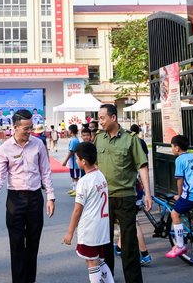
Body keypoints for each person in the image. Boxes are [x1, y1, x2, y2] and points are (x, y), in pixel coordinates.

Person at [0, 108, 56, 283]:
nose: (30, 131)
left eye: (31, 127)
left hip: (35, 199)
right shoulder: (4, 149)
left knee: (33, 243)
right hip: (15, 200)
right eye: (26, 128)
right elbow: (0, 175)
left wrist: (50, 197)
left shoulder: (38, 144)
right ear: (15, 127)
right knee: (16, 244)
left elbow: (45, 172)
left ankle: (30, 279)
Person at [95, 103, 152, 283]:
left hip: (125, 197)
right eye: (99, 118)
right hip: (103, 199)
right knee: (104, 243)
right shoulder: (99, 138)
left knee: (129, 245)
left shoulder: (131, 139)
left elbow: (142, 166)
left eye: (102, 118)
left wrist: (148, 193)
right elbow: (93, 167)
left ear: (113, 117)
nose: (100, 121)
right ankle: (107, 278)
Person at [63, 142, 115, 283]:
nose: (76, 161)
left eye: (77, 159)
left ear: (83, 161)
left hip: (90, 228)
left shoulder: (84, 181)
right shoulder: (100, 175)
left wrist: (70, 232)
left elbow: (77, 209)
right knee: (99, 260)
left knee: (92, 262)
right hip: (102, 226)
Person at [166, 134, 193, 259]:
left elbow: (180, 180)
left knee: (174, 214)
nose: (172, 149)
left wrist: (179, 195)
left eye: (172, 147)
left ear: (177, 148)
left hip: (192, 192)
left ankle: (180, 246)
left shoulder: (179, 160)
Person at [62, 124, 81, 197]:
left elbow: (71, 152)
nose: (68, 131)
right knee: (73, 176)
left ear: (71, 131)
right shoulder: (74, 139)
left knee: (75, 177)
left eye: (69, 130)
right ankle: (74, 189)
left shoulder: (74, 140)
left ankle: (77, 190)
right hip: (72, 162)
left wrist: (65, 161)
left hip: (74, 162)